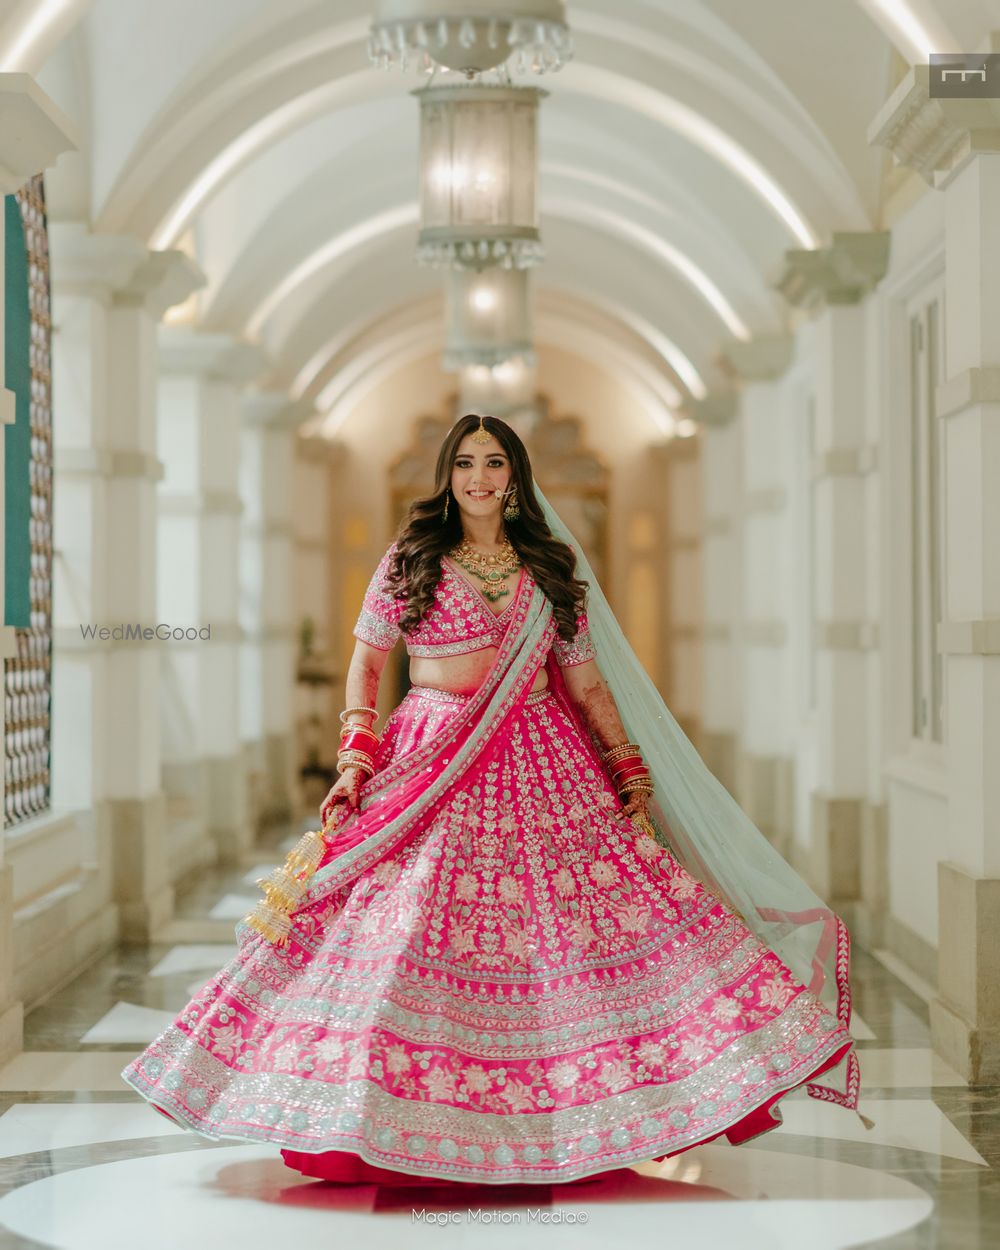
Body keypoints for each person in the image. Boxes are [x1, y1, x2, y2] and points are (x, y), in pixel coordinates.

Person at [122, 413, 863, 1187]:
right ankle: (381, 1118)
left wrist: (625, 765)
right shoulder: (412, 558)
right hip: (430, 758)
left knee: (563, 937)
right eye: (466, 463)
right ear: (447, 475)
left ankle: (574, 1117)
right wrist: (355, 755)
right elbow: (368, 666)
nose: (480, 477)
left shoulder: (547, 566)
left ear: (516, 477)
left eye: (496, 463)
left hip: (542, 759)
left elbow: (585, 679)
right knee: (404, 928)